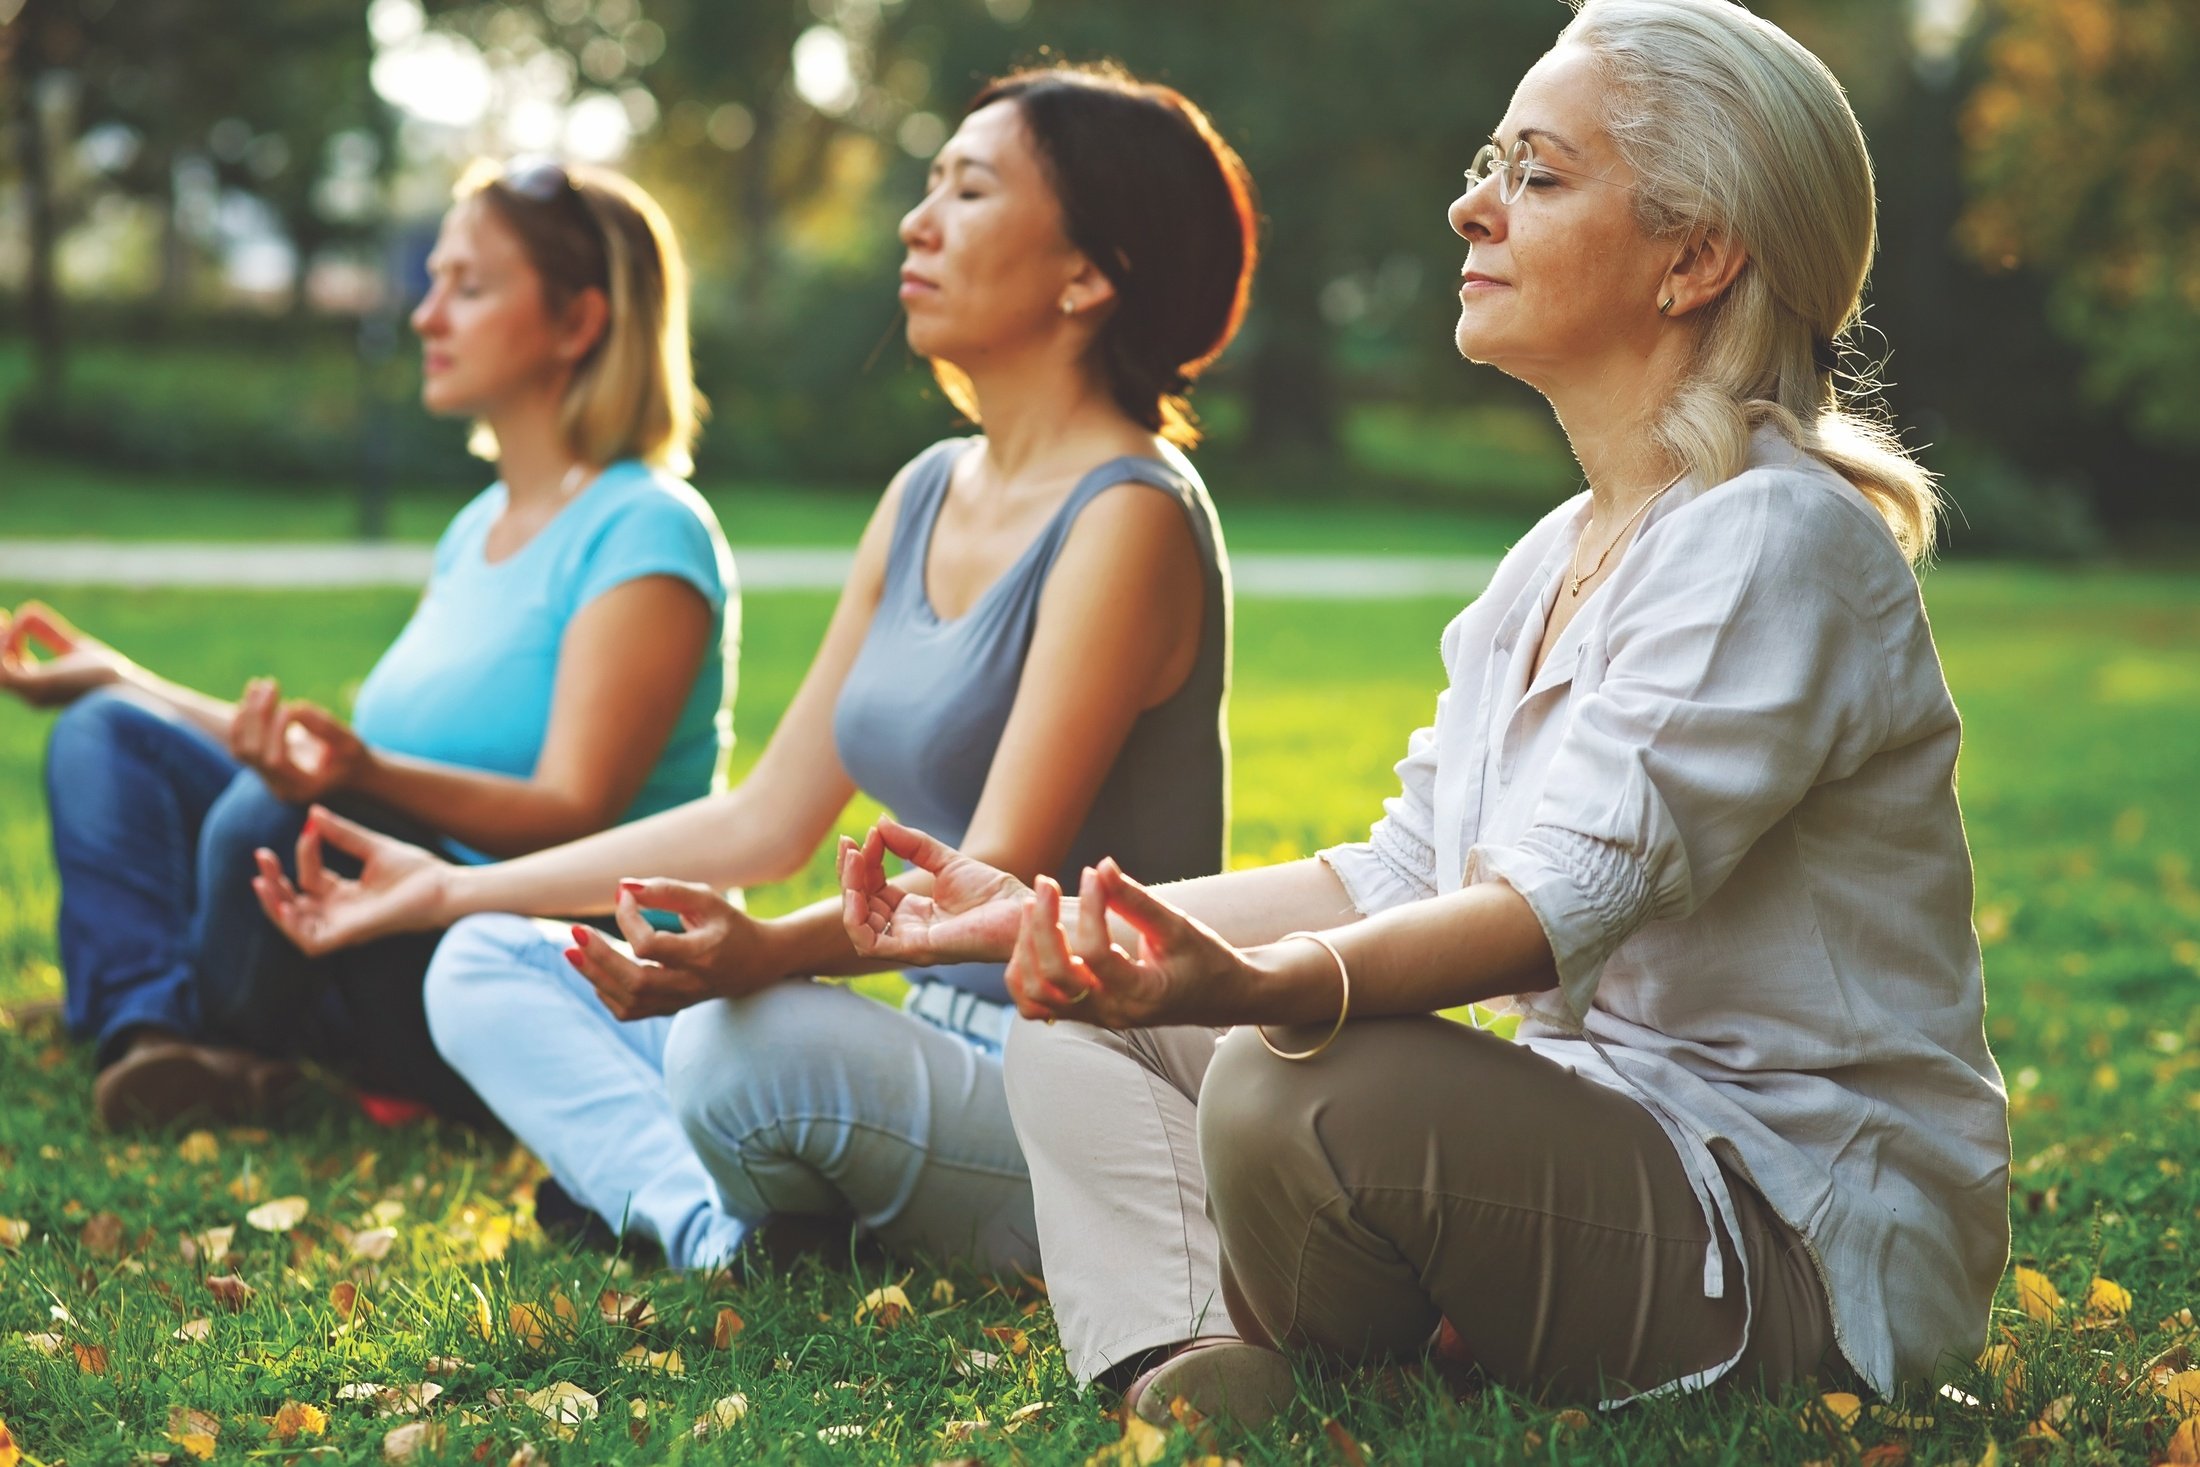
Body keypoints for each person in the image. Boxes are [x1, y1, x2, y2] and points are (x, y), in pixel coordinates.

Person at [838, 0, 2010, 1426]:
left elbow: (1547, 903)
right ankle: (1193, 1360)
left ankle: (1361, 1340)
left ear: (1695, 257)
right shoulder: (1556, 552)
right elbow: (1402, 869)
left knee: (1294, 1084)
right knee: (1078, 1020)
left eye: (1537, 174)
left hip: (1783, 1234)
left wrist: (1259, 988)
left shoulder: (1777, 538)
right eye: (1488, 164)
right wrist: (1086, 925)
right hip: (1600, 1155)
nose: (1471, 207)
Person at [248, 63, 1260, 1273]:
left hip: (1073, 1098)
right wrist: (446, 890)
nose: (916, 219)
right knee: (486, 962)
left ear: (1088, 274)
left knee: (748, 1045)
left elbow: (981, 895)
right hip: (917, 1053)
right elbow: (766, 819)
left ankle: (700, 1193)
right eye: (928, 181)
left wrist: (765, 955)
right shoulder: (927, 491)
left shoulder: (1130, 519)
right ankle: (713, 1224)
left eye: (971, 190)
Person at [0, 159, 734, 1130]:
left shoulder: (646, 529)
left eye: (467, 288)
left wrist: (362, 774)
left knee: (285, 809)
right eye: (434, 282)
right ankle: (156, 1038)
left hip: (523, 961)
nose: (427, 315)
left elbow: (577, 809)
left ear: (578, 323)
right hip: (383, 917)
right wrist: (126, 678)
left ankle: (202, 1029)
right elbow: (336, 768)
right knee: (108, 732)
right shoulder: (477, 529)